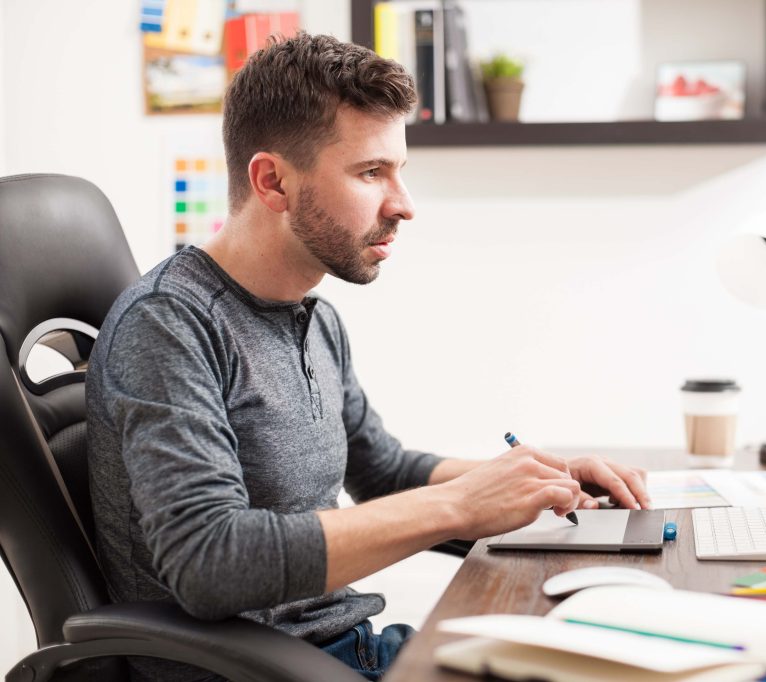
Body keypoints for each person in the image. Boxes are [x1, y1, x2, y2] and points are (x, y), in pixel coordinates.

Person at [87, 33, 650, 682]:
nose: (404, 204)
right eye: (370, 172)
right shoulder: (168, 325)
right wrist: (463, 505)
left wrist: (536, 478)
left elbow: (381, 470)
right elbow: (209, 562)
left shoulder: (313, 318)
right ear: (272, 181)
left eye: (399, 170)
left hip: (347, 654)